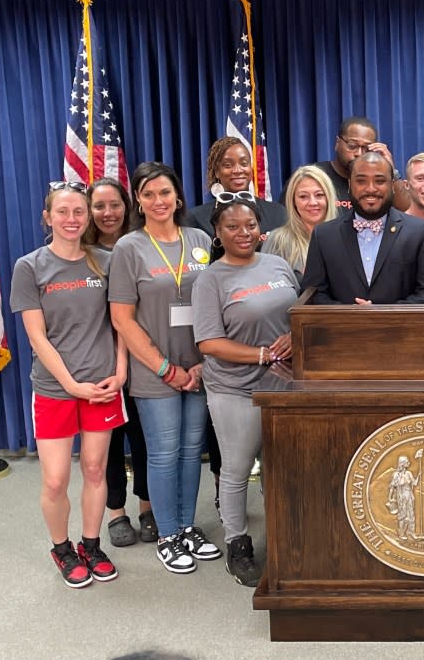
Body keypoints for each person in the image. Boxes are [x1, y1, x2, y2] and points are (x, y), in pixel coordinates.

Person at [10, 181, 127, 587]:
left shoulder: (107, 261)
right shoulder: (30, 266)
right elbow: (36, 337)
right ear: (48, 218)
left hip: (103, 385)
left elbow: (120, 324)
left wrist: (122, 369)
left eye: (79, 212)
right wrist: (72, 385)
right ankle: (61, 549)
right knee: (56, 478)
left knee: (96, 469)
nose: (72, 219)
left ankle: (90, 546)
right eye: (63, 212)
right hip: (55, 389)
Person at [109, 162, 221, 574]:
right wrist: (164, 368)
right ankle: (169, 533)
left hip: (200, 368)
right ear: (138, 199)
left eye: (165, 192)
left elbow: (214, 303)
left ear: (178, 197)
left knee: (194, 452)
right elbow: (122, 318)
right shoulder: (128, 248)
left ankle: (188, 526)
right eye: (149, 193)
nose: (158, 201)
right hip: (155, 371)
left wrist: (204, 364)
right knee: (162, 452)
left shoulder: (200, 239)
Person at [192, 196, 299, 586]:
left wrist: (291, 336)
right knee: (237, 470)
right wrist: (262, 354)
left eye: (250, 225)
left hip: (284, 385)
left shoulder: (277, 264)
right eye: (233, 227)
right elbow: (208, 343)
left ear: (260, 228)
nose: (243, 233)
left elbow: (296, 311)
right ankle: (238, 544)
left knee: (281, 467)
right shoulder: (211, 279)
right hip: (235, 390)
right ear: (218, 233)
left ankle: (286, 538)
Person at [86, 178, 156, 547]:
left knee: (144, 440)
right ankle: (116, 512)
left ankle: (147, 507)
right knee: (108, 442)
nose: (108, 213)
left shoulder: (142, 245)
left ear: (128, 206)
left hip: (141, 359)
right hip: (99, 366)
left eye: (115, 204)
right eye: (99, 206)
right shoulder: (79, 254)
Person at [301, 151, 424, 304]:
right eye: (361, 181)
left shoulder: (421, 233)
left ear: (392, 185)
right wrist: (349, 315)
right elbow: (312, 295)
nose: (370, 189)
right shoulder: (324, 235)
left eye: (379, 181)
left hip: (402, 327)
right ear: (350, 185)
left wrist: (380, 315)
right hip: (340, 327)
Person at [185, 136, 288, 238]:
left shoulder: (278, 214)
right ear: (217, 172)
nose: (238, 170)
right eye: (228, 165)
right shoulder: (196, 218)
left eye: (244, 163)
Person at [308, 116, 409, 212]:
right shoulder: (315, 176)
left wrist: (391, 169)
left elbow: (403, 208)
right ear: (337, 143)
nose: (359, 154)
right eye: (352, 146)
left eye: (366, 149)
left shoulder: (378, 179)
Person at [262, 165, 338, 277]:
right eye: (303, 197)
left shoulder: (345, 238)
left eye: (319, 195)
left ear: (329, 198)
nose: (312, 202)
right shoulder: (277, 241)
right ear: (293, 201)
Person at [388, 455, 419, 541]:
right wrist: (390, 498)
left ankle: (412, 532)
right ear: (402, 463)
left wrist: (419, 475)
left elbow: (415, 483)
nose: (409, 463)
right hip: (401, 497)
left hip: (409, 495)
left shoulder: (409, 473)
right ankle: (402, 533)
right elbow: (392, 487)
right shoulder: (396, 475)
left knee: (411, 515)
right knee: (403, 516)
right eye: (407, 461)